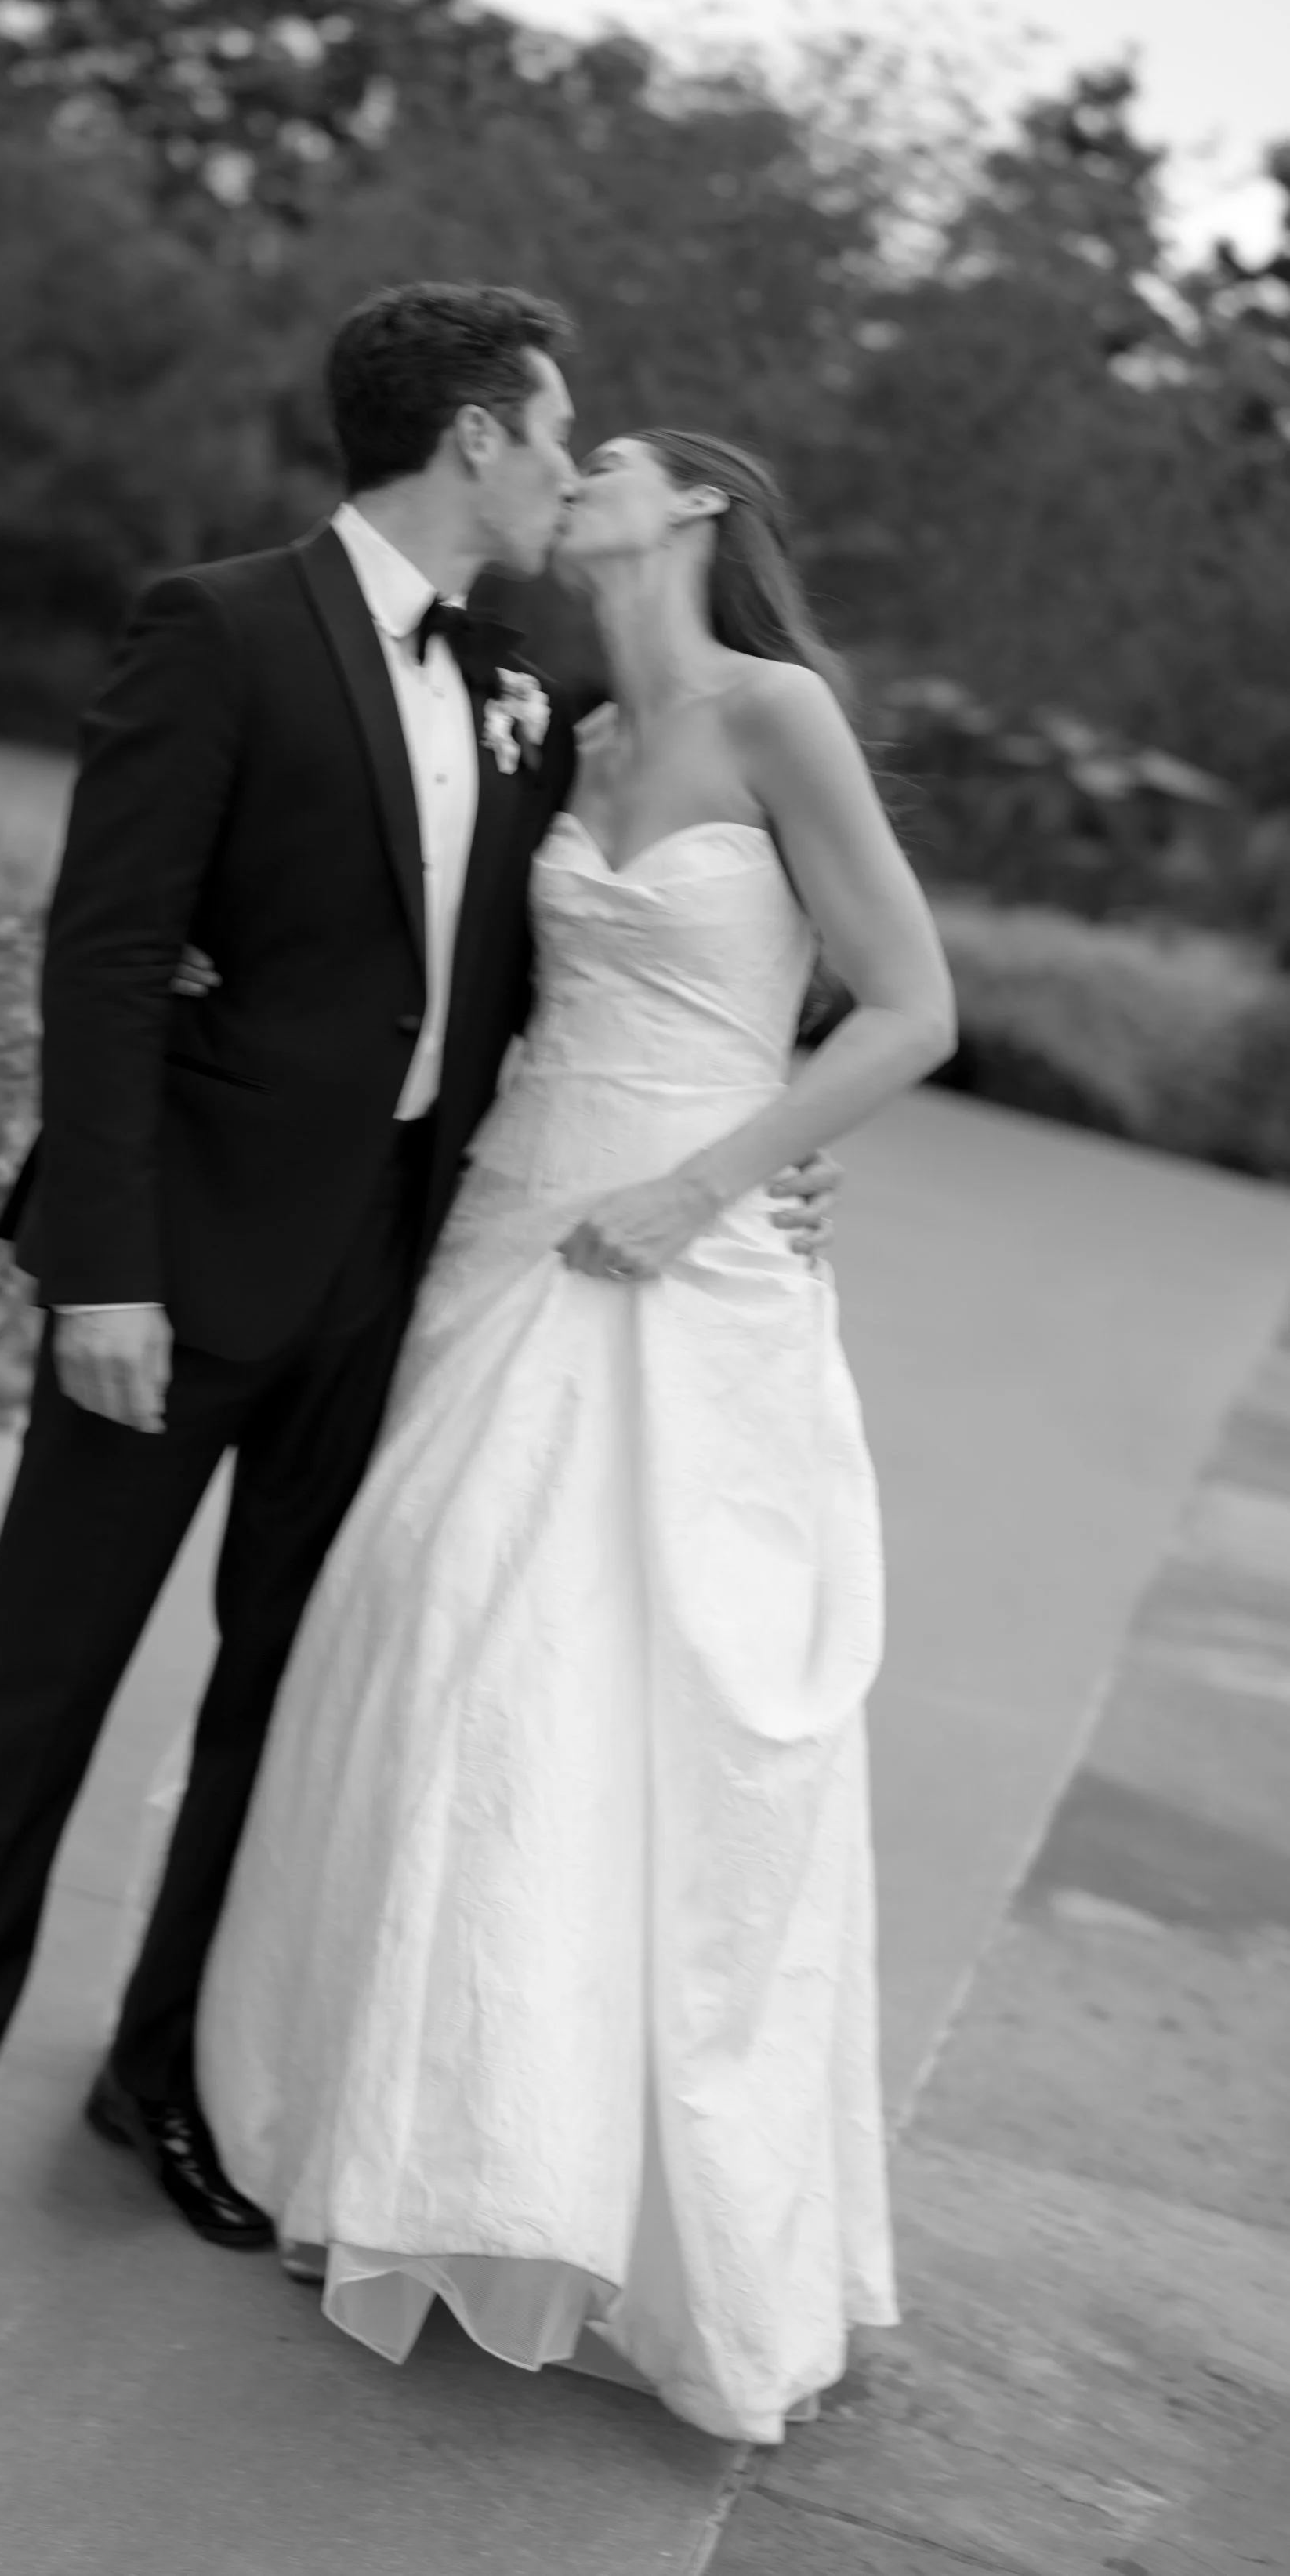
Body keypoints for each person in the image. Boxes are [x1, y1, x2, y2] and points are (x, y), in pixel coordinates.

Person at [0, 291, 837, 2244]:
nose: (570, 465)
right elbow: (108, 954)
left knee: (277, 1706)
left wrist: (762, 1167)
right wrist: (101, 1271)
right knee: (38, 1689)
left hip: (397, 1288)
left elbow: (662, 957)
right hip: (175, 1274)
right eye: (555, 431)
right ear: (474, 435)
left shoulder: (529, 686)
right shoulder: (213, 626)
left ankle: (159, 2081)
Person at [194, 430, 958, 2443]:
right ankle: (412, 2134)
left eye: (605, 451)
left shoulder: (771, 712)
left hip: (678, 1263)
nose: (574, 465)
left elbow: (904, 1009)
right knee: (443, 1664)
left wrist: (713, 1185)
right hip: (507, 1231)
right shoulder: (568, 728)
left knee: (635, 1702)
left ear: (701, 508)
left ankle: (594, 2190)